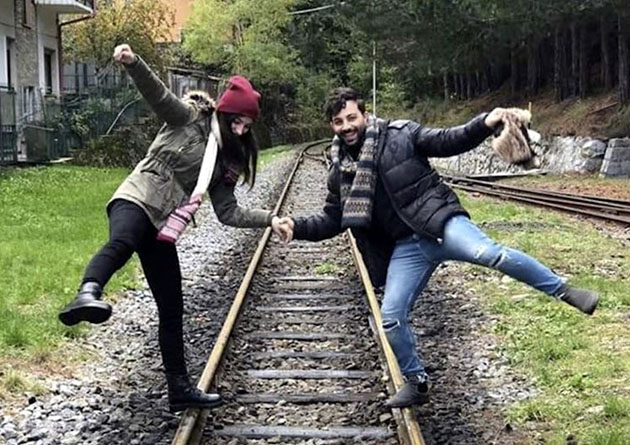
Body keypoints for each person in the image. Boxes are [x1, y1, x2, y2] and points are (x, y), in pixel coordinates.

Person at [277, 87, 599, 408]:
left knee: (489, 253)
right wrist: (297, 226)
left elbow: (448, 140)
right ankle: (417, 383)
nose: (347, 126)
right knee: (391, 317)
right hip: (407, 247)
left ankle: (564, 290)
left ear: (364, 114)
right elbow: (333, 219)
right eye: (338, 122)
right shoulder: (339, 171)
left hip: (439, 224)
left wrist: (485, 122)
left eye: (351, 118)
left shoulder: (400, 134)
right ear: (331, 126)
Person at [58, 44, 291, 412]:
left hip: (163, 224)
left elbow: (228, 212)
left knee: (172, 306)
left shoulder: (224, 161)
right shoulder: (188, 118)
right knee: (123, 241)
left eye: (247, 125)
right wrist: (133, 63)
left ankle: (179, 388)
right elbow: (158, 94)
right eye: (237, 121)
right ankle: (88, 293)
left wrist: (270, 219)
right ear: (225, 112)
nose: (241, 129)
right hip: (137, 195)